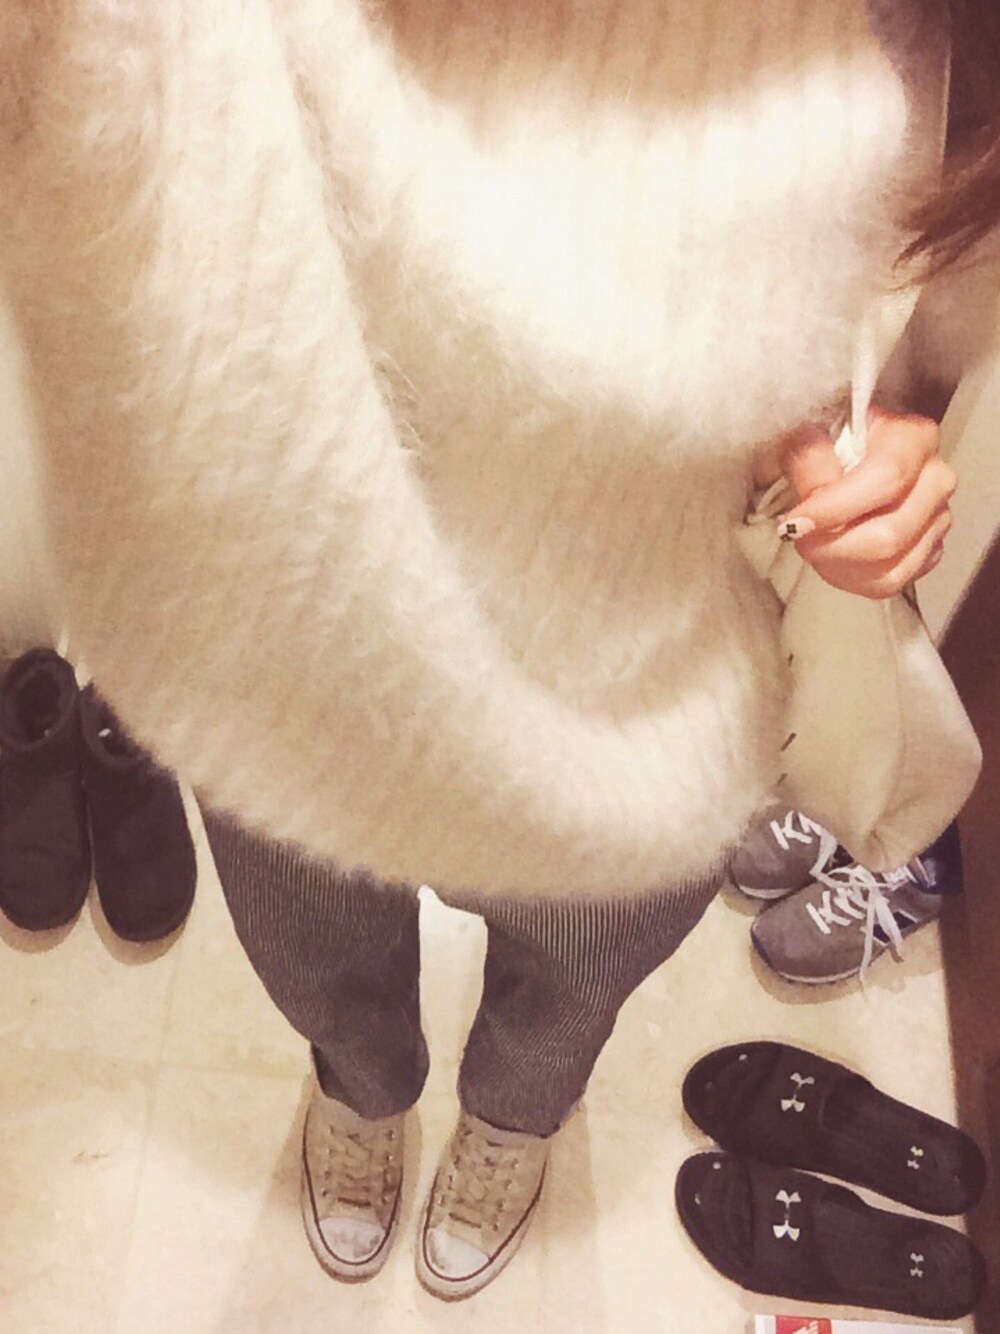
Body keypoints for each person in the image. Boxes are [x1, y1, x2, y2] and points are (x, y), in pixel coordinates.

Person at [0, 0, 997, 1303]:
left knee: (577, 971)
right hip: (283, 608)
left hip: (637, 645)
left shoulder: (882, 35)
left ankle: (514, 1118)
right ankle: (361, 1090)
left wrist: (888, 426)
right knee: (313, 946)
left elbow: (923, 259)